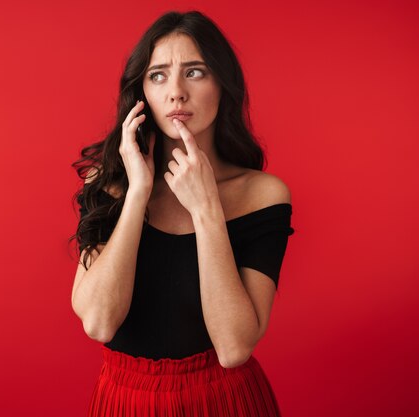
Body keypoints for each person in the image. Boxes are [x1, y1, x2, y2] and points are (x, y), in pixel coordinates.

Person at [70, 10, 294, 417]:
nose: (175, 92)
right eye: (157, 75)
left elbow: (233, 346)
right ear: (141, 93)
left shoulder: (262, 194)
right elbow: (99, 323)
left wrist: (206, 208)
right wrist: (137, 192)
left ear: (224, 85)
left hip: (224, 401)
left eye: (194, 72)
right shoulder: (109, 184)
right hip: (125, 401)